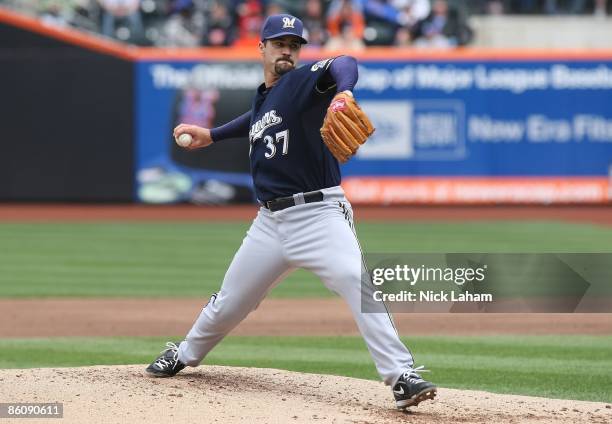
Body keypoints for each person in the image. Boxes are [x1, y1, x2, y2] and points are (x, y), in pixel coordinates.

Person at [145, 13, 437, 410]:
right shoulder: (266, 95)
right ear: (261, 47)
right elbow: (257, 120)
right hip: (269, 223)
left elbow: (344, 63)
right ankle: (184, 353)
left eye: (295, 44)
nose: (288, 50)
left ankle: (401, 375)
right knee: (230, 301)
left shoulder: (304, 82)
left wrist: (344, 92)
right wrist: (212, 135)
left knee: (356, 280)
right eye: (280, 43)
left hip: (319, 215)